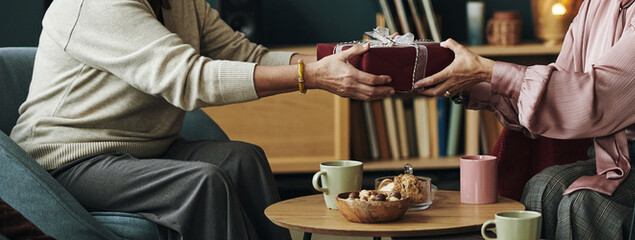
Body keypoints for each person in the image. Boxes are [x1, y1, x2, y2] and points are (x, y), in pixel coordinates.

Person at [10, 0, 394, 239]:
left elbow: (245, 54)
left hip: (143, 151)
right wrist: (309, 76)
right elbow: (190, 79)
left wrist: (326, 68)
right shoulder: (97, 5)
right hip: (68, 161)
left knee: (243, 158)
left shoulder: (179, 2)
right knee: (202, 184)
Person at [414, 0, 635, 238]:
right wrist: (458, 83)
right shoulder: (596, 4)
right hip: (622, 152)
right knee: (543, 186)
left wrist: (488, 71)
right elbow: (559, 89)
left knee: (584, 202)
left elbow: (595, 98)